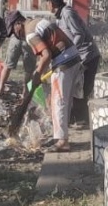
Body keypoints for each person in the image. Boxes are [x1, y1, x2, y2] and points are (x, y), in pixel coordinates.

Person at [25, 16, 81, 152]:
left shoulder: (30, 33)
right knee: (65, 101)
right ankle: (62, 136)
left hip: (63, 63)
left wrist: (37, 75)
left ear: (17, 26)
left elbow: (46, 55)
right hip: (74, 58)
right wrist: (40, 72)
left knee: (58, 102)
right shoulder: (39, 22)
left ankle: (62, 141)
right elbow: (45, 54)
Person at [46, 0, 100, 128]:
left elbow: (79, 34)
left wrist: (72, 52)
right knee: (74, 88)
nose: (47, 7)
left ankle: (82, 121)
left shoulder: (67, 13)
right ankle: (73, 119)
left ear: (51, 3)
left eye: (47, 4)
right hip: (78, 57)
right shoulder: (59, 17)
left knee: (81, 89)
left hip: (87, 56)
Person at [0, 10, 36, 96]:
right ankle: (26, 91)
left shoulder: (15, 25)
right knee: (29, 70)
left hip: (18, 40)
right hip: (27, 40)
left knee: (7, 66)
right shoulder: (28, 22)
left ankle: (0, 89)